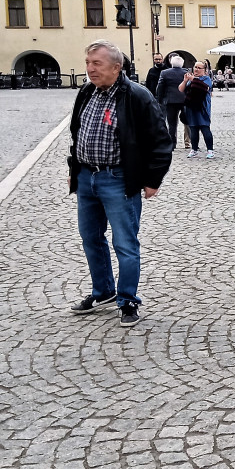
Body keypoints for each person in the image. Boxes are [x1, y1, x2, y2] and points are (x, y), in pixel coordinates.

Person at [67, 40, 174, 327]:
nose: (90, 69)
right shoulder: (86, 92)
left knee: (125, 243)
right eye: (88, 63)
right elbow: (78, 134)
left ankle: (127, 300)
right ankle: (103, 291)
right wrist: (74, 168)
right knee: (91, 238)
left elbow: (161, 141)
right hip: (86, 177)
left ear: (116, 67)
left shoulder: (136, 96)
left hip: (117, 179)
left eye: (96, 64)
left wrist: (153, 180)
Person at [179, 62, 215, 159]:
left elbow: (204, 88)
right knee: (193, 129)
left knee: (205, 128)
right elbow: (181, 89)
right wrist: (185, 81)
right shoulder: (191, 79)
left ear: (204, 70)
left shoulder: (206, 79)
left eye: (199, 68)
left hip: (202, 108)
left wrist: (193, 79)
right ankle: (194, 149)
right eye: (195, 67)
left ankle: (210, 150)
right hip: (191, 108)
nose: (196, 69)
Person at [155, 54, 187, 149]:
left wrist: (160, 99)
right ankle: (190, 142)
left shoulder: (165, 73)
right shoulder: (186, 72)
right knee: (187, 121)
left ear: (171, 63)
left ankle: (173, 143)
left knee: (172, 123)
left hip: (170, 100)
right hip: (184, 100)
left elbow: (160, 87)